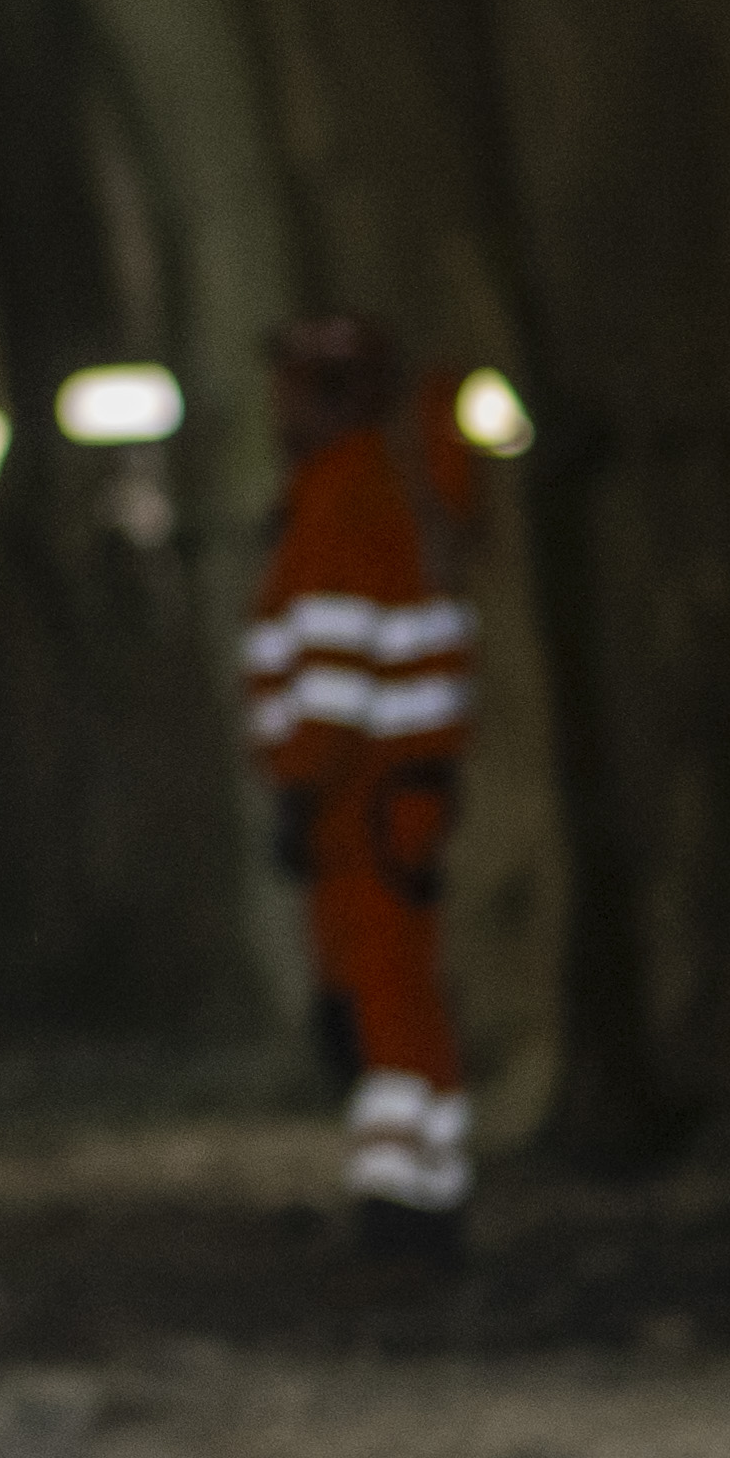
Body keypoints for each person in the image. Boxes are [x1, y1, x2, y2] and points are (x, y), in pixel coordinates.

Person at [239, 311, 475, 1252]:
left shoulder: (343, 504)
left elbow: (334, 674)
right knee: (385, 988)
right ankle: (417, 1190)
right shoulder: (362, 494)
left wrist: (299, 787)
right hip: (385, 792)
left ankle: (404, 1206)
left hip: (363, 794)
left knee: (386, 991)